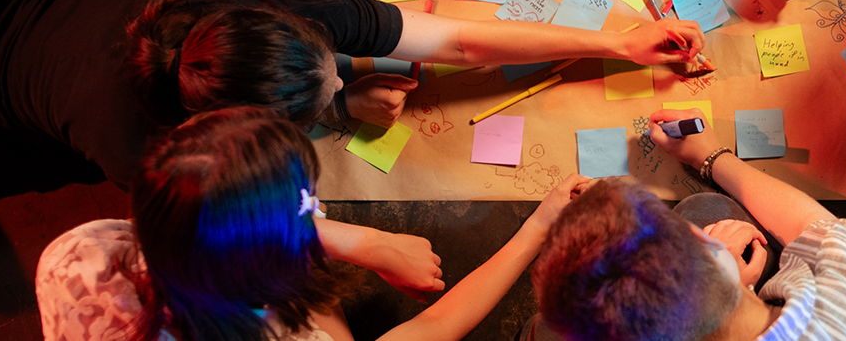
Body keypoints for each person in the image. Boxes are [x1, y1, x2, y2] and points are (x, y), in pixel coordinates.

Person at [0, 0, 705, 187]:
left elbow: (459, 41)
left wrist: (616, 42)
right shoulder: (143, 153)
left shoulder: (287, 9)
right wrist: (339, 109)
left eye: (331, 61)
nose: (346, 65)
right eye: (309, 102)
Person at [36, 106, 591, 341]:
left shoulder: (75, 255)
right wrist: (539, 227)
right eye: (307, 204)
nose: (319, 206)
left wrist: (359, 240)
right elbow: (428, 330)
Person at [524, 106, 846, 341]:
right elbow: (809, 221)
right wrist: (712, 155)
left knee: (540, 331)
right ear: (714, 247)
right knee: (707, 205)